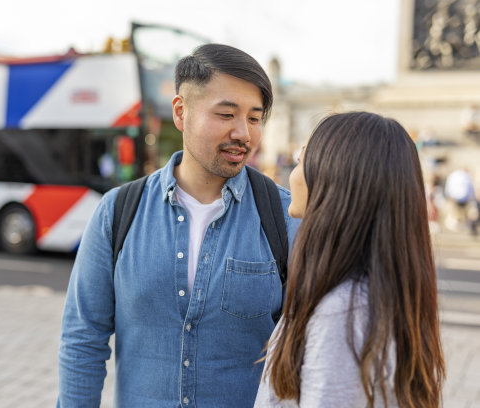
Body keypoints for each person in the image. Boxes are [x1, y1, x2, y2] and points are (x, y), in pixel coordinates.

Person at [57, 43, 300, 407]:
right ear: (181, 112)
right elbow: (83, 338)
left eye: (254, 118)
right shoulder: (118, 212)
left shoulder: (284, 218)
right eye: (226, 114)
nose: (243, 134)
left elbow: (312, 346)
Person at [255, 112, 445, 408]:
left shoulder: (342, 310)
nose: (291, 174)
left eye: (301, 159)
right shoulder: (369, 294)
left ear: (335, 178)